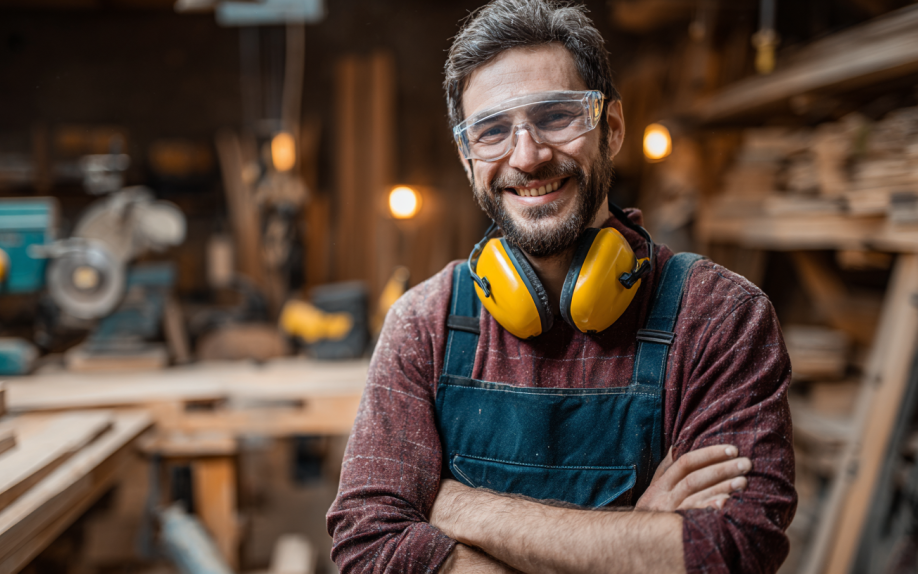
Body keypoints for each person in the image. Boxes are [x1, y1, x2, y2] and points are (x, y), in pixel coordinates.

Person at [326, 1, 796, 572]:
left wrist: (461, 509)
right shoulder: (426, 322)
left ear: (612, 128)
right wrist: (639, 539)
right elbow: (367, 548)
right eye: (493, 130)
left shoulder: (718, 317)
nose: (527, 155)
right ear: (468, 156)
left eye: (555, 116)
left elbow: (735, 550)